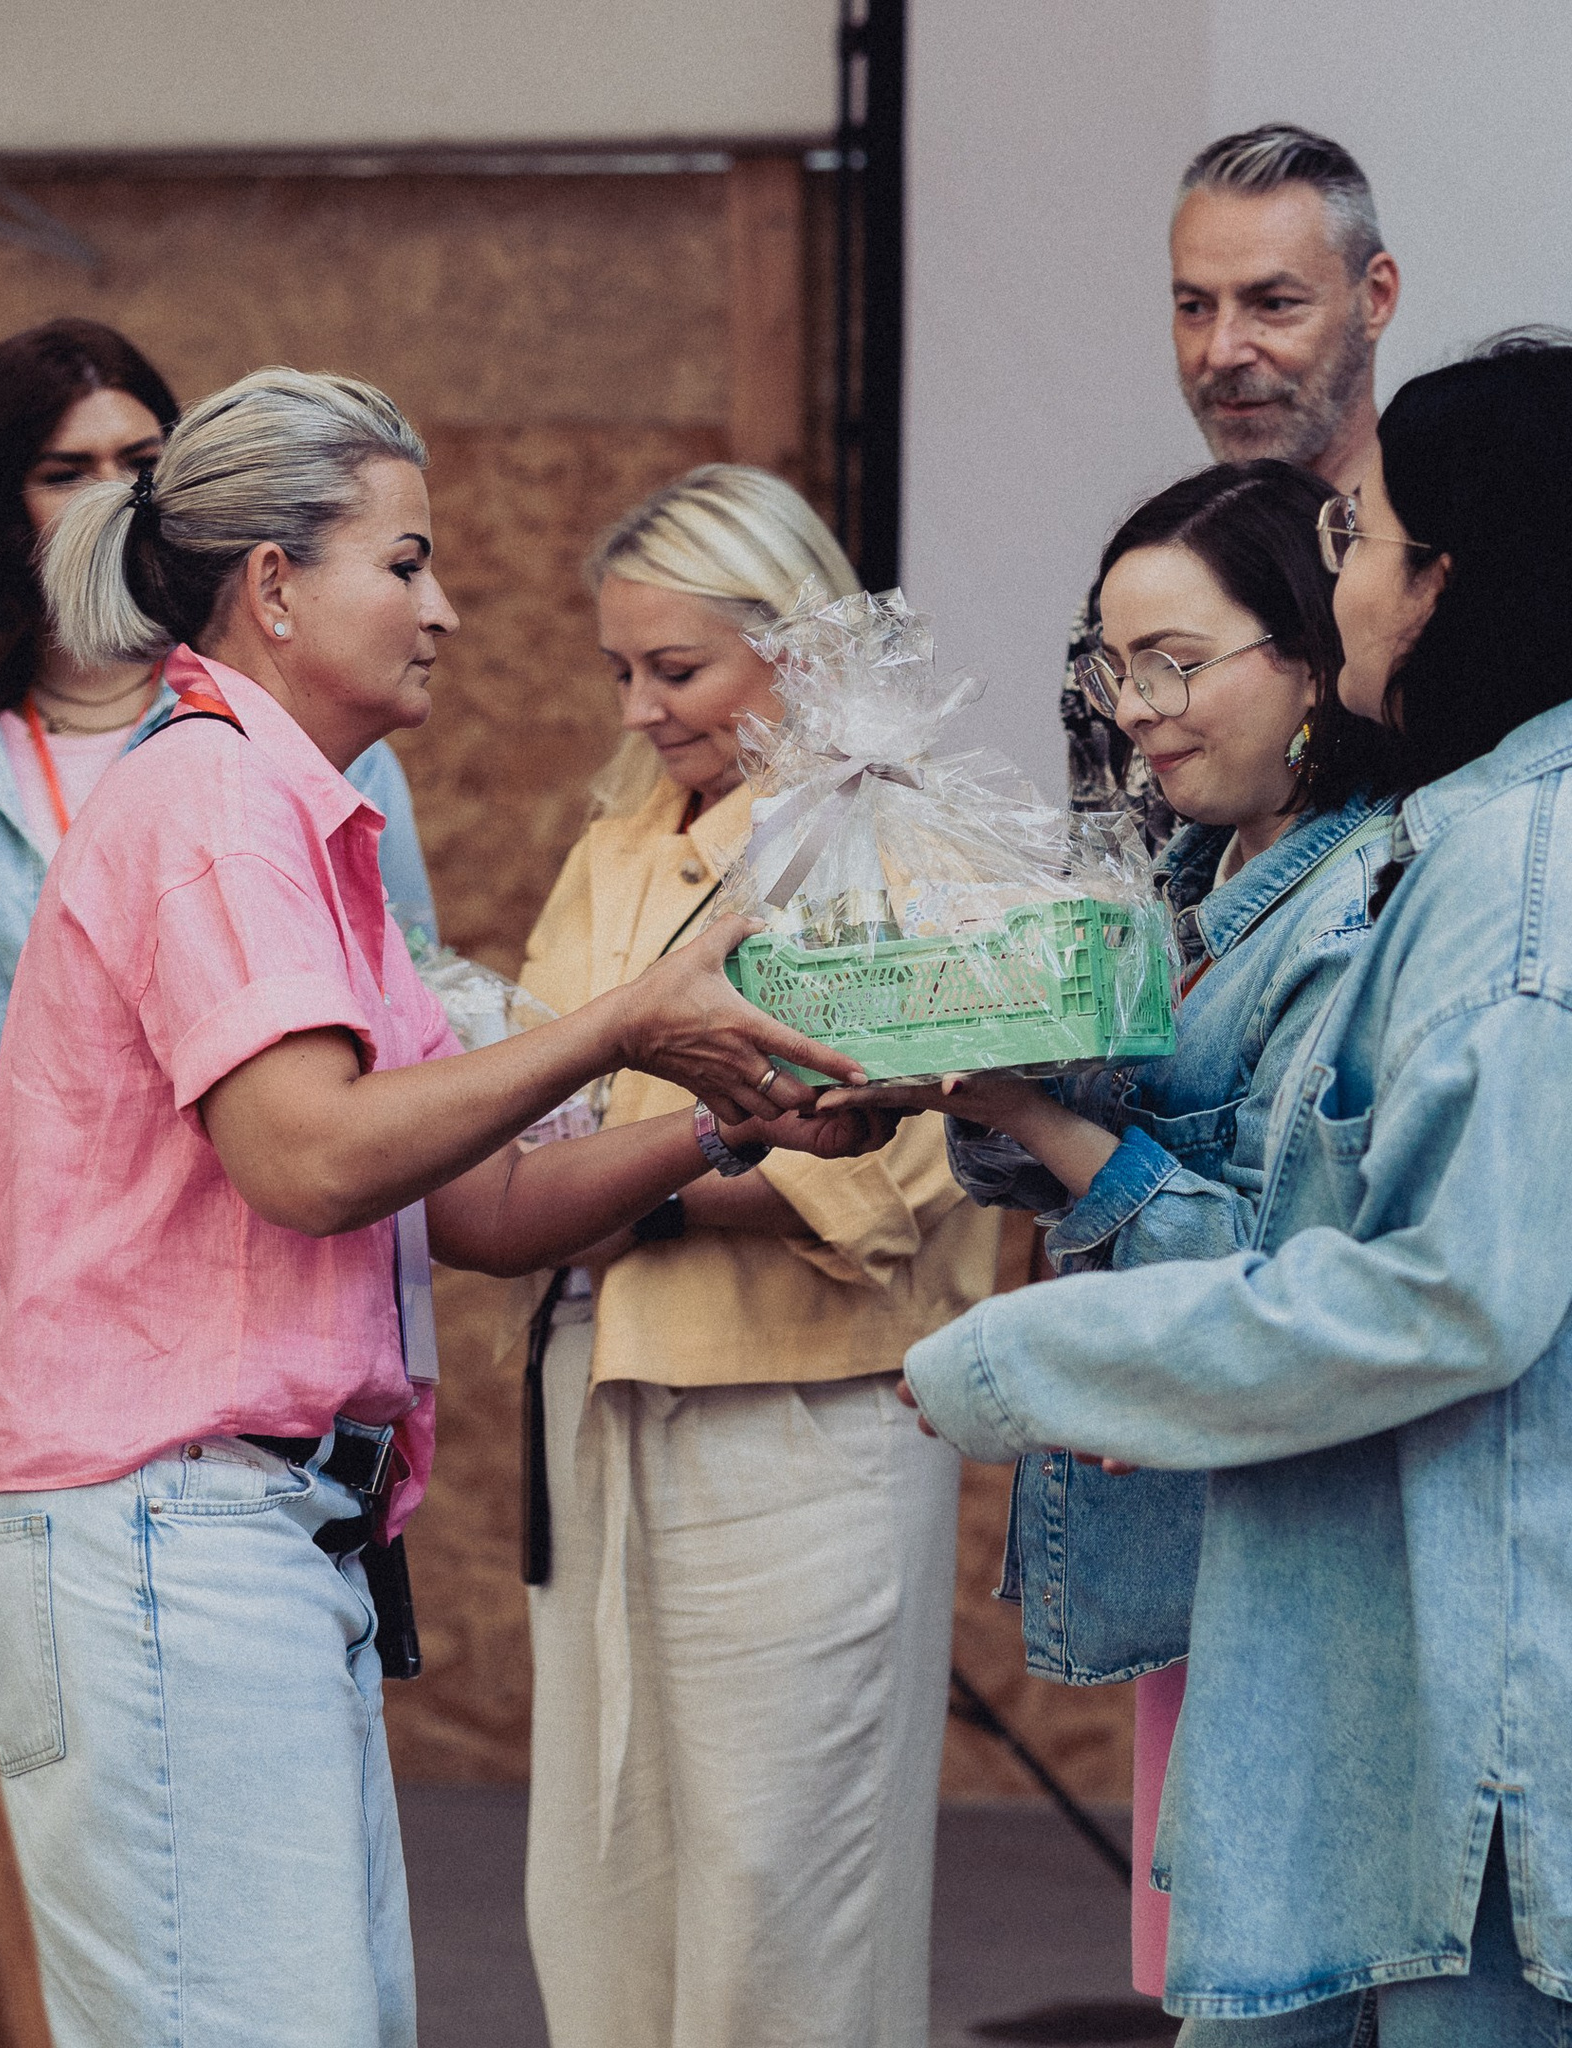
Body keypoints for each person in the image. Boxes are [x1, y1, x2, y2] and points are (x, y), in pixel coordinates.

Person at [900, 334, 1572, 2047]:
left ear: (1444, 584)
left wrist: (1020, 1360)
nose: (1331, 570)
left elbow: (1438, 1294)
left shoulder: (1543, 889)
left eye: (1352, 536)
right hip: (1459, 1735)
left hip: (1523, 1778)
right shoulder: (1530, 834)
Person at [0, 372, 869, 2048]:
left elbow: (492, 1202)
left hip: (249, 1545)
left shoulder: (310, 823)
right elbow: (309, 1155)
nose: (445, 608)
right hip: (167, 1536)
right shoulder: (217, 800)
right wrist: (619, 1018)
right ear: (274, 582)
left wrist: (724, 1124)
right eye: (406, 560)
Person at [0, 320, 434, 1742]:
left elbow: (405, 1006)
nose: (104, 489)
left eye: (139, 457)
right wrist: (41, 1155)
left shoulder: (290, 728)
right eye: (60, 466)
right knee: (11, 1763)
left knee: (212, 1787)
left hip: (232, 1361)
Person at [834, 459, 1395, 2028]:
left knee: (1272, 1985)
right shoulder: (1171, 877)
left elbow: (1293, 1290)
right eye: (1111, 664)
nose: (1136, 706)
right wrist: (960, 1054)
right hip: (1194, 1538)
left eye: (1176, 663)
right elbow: (1048, 1158)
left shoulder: (1363, 907)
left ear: (1310, 656)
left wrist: (1048, 1115)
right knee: (1205, 1978)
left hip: (1293, 1552)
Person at [516, 463, 999, 2048]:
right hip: (613, 1407)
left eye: (679, 670)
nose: (645, 709)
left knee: (785, 1898)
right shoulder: (620, 843)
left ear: (792, 650)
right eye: (623, 673)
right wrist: (689, 1147)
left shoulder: (902, 843)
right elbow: (530, 1123)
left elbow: (889, 1157)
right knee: (611, 1877)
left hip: (814, 1421)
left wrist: (628, 1180)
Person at [1066, 124, 1401, 847]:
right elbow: (1113, 880)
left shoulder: (1429, 581)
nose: (1221, 351)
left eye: (1274, 304)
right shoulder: (1136, 590)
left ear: (1375, 297)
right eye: (1194, 307)